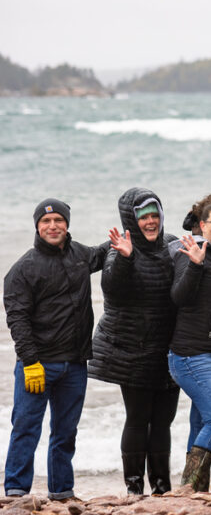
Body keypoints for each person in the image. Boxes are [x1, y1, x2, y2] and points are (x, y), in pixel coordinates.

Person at [4, 198, 105, 499]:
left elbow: (105, 252)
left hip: (74, 365)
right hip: (38, 365)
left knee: (65, 433)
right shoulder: (23, 269)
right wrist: (30, 361)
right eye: (46, 221)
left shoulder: (80, 255)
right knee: (26, 429)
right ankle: (15, 490)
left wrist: (133, 237)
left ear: (67, 224)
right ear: (37, 225)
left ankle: (62, 492)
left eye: (58, 220)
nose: (52, 226)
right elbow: (17, 318)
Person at [89, 188, 180, 495]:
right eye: (144, 218)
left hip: (167, 349)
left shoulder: (171, 247)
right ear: (131, 220)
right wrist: (127, 258)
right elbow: (112, 287)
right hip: (132, 349)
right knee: (139, 418)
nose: (151, 222)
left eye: (155, 216)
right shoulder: (120, 250)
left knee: (163, 421)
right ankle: (133, 486)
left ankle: (161, 486)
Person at [167, 197, 211, 491]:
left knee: (202, 422)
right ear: (202, 225)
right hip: (193, 355)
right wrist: (196, 265)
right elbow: (179, 297)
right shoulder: (190, 253)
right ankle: (188, 485)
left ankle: (196, 494)